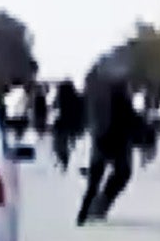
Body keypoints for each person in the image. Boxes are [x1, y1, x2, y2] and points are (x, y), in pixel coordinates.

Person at [76, 70, 145, 225]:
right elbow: (132, 120)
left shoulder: (98, 99)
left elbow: (90, 118)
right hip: (119, 144)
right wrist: (140, 135)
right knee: (123, 173)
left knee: (94, 182)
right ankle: (100, 204)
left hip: (100, 142)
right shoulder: (122, 100)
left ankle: (83, 212)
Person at [51, 78, 84, 171]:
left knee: (60, 142)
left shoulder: (60, 98)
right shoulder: (78, 98)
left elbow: (54, 107)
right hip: (75, 127)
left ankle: (63, 159)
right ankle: (64, 159)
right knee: (64, 142)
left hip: (65, 126)